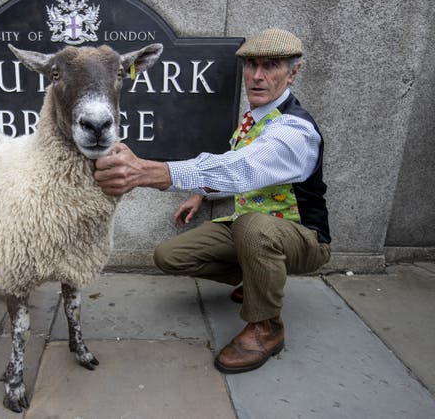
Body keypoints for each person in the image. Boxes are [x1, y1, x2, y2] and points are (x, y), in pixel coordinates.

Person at [94, 28, 331, 374]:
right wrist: (201, 194)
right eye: (251, 66)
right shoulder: (252, 121)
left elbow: (245, 168)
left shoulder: (294, 132)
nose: (257, 76)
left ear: (293, 73)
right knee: (169, 256)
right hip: (252, 229)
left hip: (302, 236)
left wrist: (151, 172)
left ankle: (266, 327)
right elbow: (237, 169)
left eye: (271, 66)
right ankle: (257, 279)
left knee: (253, 227)